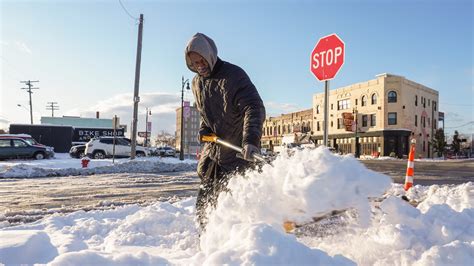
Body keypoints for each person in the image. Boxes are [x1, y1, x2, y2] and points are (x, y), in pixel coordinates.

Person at [185, 33, 266, 230]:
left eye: (202, 60)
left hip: (239, 156)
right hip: (215, 155)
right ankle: (207, 249)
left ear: (210, 55)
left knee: (236, 211)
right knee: (204, 209)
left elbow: (253, 107)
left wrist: (250, 140)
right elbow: (206, 114)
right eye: (195, 63)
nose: (199, 65)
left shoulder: (233, 76)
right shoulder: (197, 83)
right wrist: (205, 130)